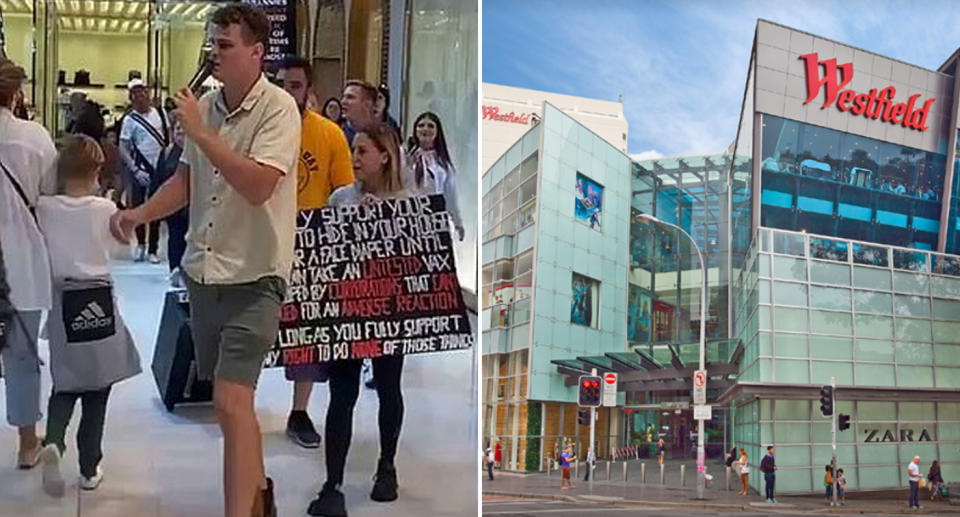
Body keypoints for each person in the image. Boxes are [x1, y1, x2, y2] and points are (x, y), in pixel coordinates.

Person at [109, 5, 300, 516]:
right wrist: (138, 215)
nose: (215, 54)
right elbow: (186, 183)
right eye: (212, 44)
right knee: (235, 410)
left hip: (256, 278)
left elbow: (259, 185)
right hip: (205, 275)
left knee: (229, 403)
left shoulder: (279, 109)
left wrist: (202, 135)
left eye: (226, 45)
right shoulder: (209, 108)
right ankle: (259, 499)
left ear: (257, 52)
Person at [306, 123, 409, 517]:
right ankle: (332, 481)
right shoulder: (339, 199)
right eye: (353, 150)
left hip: (389, 311)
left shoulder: (405, 202)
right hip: (347, 310)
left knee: (388, 387)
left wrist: (383, 224)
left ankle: (387, 465)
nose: (355, 158)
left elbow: (414, 260)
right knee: (342, 393)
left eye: (363, 151)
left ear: (384, 156)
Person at [34, 134, 141, 496]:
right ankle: (89, 467)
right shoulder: (105, 209)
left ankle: (53, 441)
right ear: (97, 170)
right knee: (98, 388)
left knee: (65, 382)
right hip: (99, 303)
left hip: (63, 303)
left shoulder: (44, 208)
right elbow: (128, 253)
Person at [277, 54, 354, 449]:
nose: (288, 92)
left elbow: (343, 192)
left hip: (310, 244)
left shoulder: (329, 135)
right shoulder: (257, 130)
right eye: (282, 84)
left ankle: (299, 410)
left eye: (295, 85)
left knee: (306, 333)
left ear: (309, 90)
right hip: (261, 241)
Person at [0, 57, 57, 472]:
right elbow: (51, 197)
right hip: (20, 259)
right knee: (20, 353)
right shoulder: (34, 138)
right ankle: (25, 444)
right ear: (16, 94)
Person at [119, 78, 168, 264]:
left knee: (157, 208)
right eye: (136, 94)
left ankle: (153, 249)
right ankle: (140, 244)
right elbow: (123, 146)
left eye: (143, 92)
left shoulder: (160, 114)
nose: (141, 97)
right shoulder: (129, 120)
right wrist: (134, 168)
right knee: (138, 207)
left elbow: (168, 139)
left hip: (159, 168)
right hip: (139, 168)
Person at [404, 111, 464, 241]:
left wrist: (457, 222)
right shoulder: (405, 158)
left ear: (437, 132)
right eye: (421, 125)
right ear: (415, 130)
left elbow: (450, 195)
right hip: (410, 217)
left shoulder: (443, 164)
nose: (425, 129)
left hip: (436, 218)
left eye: (430, 126)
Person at [339, 79, 378, 145]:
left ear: (367, 104)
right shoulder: (337, 134)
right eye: (343, 97)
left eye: (350, 97)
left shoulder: (383, 137)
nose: (343, 102)